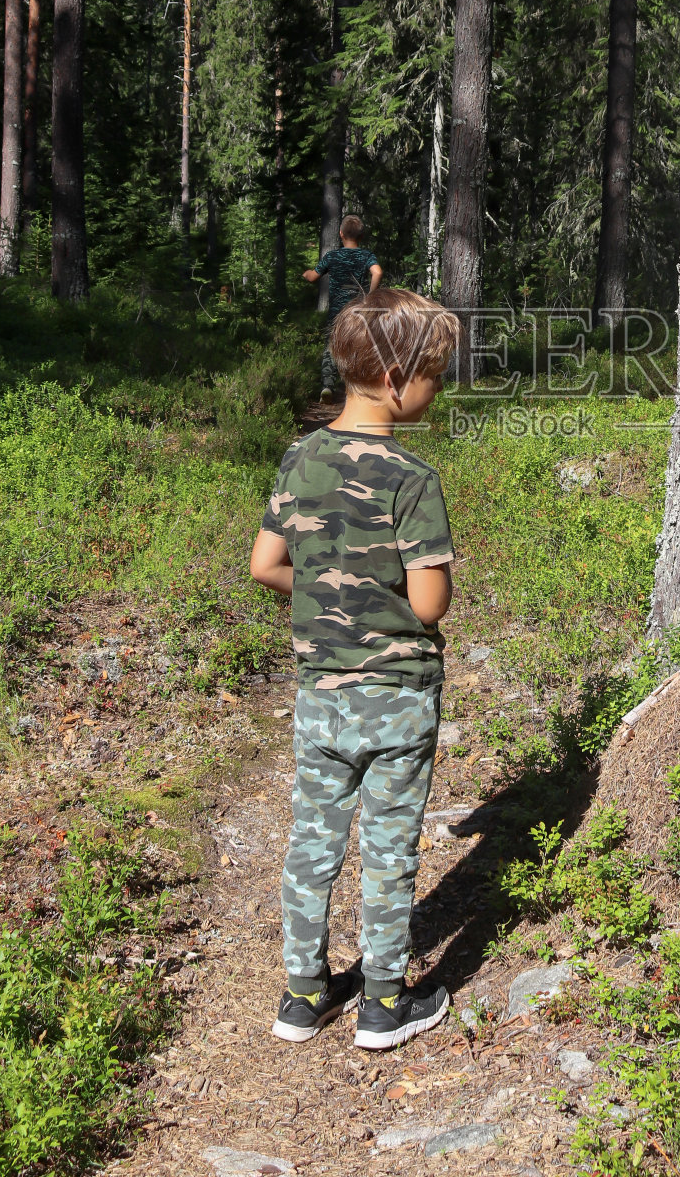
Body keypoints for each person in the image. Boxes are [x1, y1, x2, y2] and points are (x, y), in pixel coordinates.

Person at [250, 286, 459, 1051]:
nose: (438, 388)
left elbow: (265, 564)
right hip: (398, 697)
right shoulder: (411, 479)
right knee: (389, 845)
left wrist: (329, 593)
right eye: (437, 374)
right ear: (401, 379)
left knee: (313, 837)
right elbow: (429, 604)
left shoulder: (300, 458)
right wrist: (387, 590)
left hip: (321, 696)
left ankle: (302, 997)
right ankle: (380, 1003)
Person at [303, 215, 384, 402]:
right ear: (361, 236)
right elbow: (377, 272)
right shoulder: (366, 256)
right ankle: (355, 387)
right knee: (358, 346)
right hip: (358, 311)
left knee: (331, 347)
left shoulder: (332, 256)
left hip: (337, 313)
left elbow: (313, 276)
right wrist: (370, 296)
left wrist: (306, 274)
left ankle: (327, 386)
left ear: (340, 234)